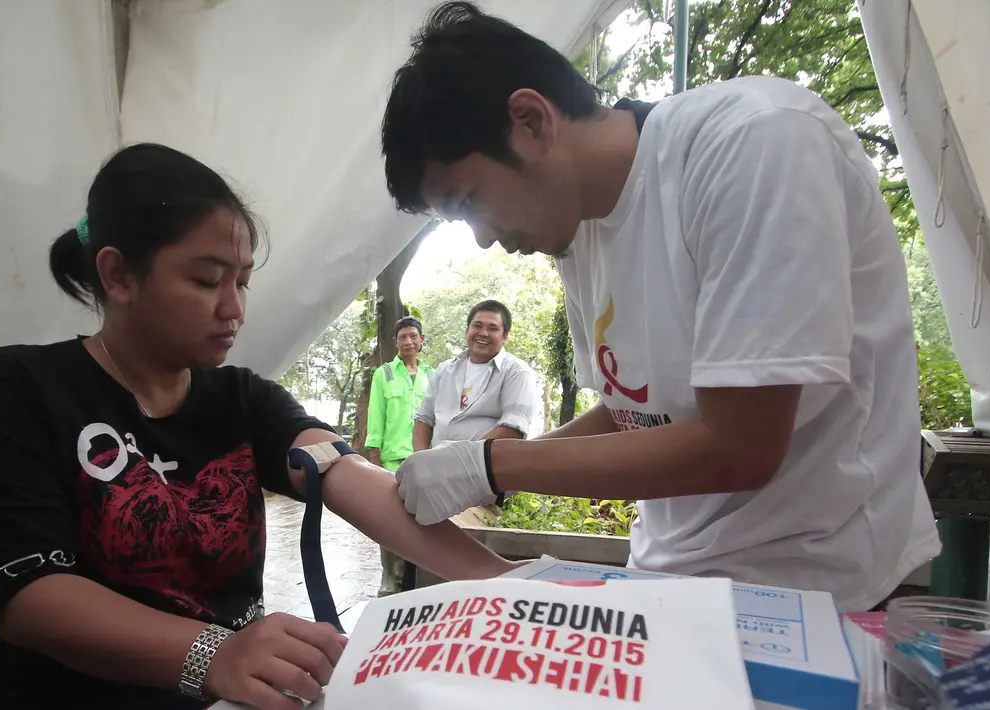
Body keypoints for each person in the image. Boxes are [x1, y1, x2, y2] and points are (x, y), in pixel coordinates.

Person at [377, 2, 940, 612]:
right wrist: (477, 466)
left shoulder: (753, 143)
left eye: (470, 201)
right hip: (668, 575)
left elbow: (740, 448)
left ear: (531, 121)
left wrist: (491, 466)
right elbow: (631, 412)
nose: (485, 238)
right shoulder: (576, 229)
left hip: (820, 583)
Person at [0, 143, 517, 710]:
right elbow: (28, 599)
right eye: (205, 280)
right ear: (117, 274)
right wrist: (213, 653)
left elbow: (340, 472)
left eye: (240, 281)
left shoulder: (242, 399)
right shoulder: (15, 390)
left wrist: (510, 586)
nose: (234, 309)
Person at [364, 316, 434, 596]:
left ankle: (416, 584)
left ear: (421, 340)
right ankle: (390, 582)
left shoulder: (433, 374)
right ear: (396, 342)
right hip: (393, 463)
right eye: (402, 337)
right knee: (392, 523)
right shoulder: (384, 374)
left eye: (413, 336)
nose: (408, 341)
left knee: (424, 524)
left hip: (426, 461)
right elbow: (376, 420)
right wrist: (375, 465)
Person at [413, 300, 540, 451]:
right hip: (438, 469)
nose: (483, 333)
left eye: (493, 328)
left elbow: (513, 428)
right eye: (477, 326)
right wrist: (421, 460)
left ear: (504, 336)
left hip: (486, 470)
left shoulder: (516, 373)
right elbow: (423, 419)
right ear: (468, 330)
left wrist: (462, 459)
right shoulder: (444, 371)